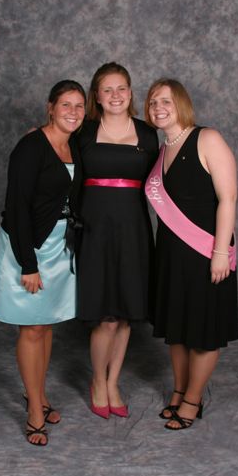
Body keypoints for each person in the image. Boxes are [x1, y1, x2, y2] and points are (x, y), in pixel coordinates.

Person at [0, 80, 86, 445]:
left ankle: (37, 393)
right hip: (28, 246)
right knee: (31, 328)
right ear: (50, 108)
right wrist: (28, 264)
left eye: (79, 106)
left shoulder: (74, 145)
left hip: (58, 246)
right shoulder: (30, 147)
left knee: (47, 323)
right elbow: (18, 207)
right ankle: (34, 411)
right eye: (66, 105)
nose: (72, 112)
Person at [145, 78, 238, 430]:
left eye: (166, 101)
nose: (158, 108)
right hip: (171, 254)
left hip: (205, 251)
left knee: (203, 330)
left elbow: (228, 199)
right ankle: (179, 390)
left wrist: (218, 252)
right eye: (153, 103)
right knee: (178, 328)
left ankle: (193, 399)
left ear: (181, 103)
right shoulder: (163, 148)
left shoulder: (208, 138)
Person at [77, 62, 158, 418]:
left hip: (134, 231)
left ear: (130, 92)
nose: (115, 95)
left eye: (121, 88)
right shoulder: (83, 131)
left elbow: (166, 183)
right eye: (107, 89)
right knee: (106, 317)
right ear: (96, 95)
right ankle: (98, 380)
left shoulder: (148, 133)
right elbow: (63, 172)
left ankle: (114, 382)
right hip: (94, 231)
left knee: (125, 315)